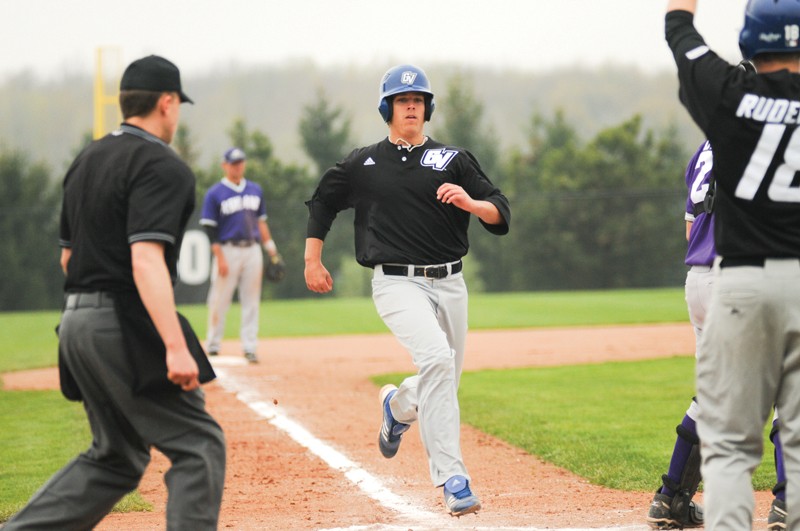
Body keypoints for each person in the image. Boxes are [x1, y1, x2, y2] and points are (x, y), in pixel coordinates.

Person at [2, 55, 226, 530]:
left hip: (76, 323)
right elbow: (145, 258)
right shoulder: (162, 165)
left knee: (116, 456)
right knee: (198, 445)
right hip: (119, 324)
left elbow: (67, 258)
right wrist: (172, 345)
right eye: (177, 104)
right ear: (166, 103)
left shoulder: (88, 158)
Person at [303, 64, 510, 517]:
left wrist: (472, 203)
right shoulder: (365, 163)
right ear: (388, 108)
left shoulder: (454, 159)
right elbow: (323, 201)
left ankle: (398, 408)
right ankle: (453, 480)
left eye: (418, 99)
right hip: (396, 282)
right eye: (402, 99)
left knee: (444, 380)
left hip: (451, 282)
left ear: (428, 108)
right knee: (437, 360)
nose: (411, 105)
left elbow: (500, 211)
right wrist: (311, 259)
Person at [666, 0, 800, 527]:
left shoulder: (729, 94)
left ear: (750, 44)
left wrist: (681, 10)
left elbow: (680, 31)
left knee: (729, 439)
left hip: (739, 281)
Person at [646, 140, 787, 529]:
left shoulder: (707, 146)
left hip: (702, 281)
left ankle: (670, 499)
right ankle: (788, 502)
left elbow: (692, 229)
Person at [200, 147, 279, 363]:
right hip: (227, 249)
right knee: (219, 299)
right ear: (224, 165)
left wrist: (270, 248)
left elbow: (260, 222)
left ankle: (249, 347)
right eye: (233, 163)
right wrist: (219, 257)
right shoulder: (215, 193)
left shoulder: (255, 189)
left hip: (252, 249)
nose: (238, 166)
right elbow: (210, 229)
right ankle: (213, 344)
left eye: (240, 162)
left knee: (251, 300)